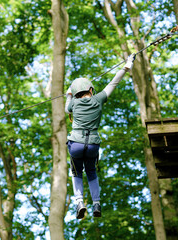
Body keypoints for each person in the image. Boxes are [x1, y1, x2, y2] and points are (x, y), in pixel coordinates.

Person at [65, 54, 135, 219]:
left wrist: (68, 94)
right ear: (91, 90)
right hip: (93, 146)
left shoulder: (73, 103)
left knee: (76, 173)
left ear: (76, 94)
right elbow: (114, 82)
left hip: (75, 144)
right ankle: (96, 203)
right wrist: (127, 65)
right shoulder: (98, 99)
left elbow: (66, 109)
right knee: (91, 173)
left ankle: (80, 202)